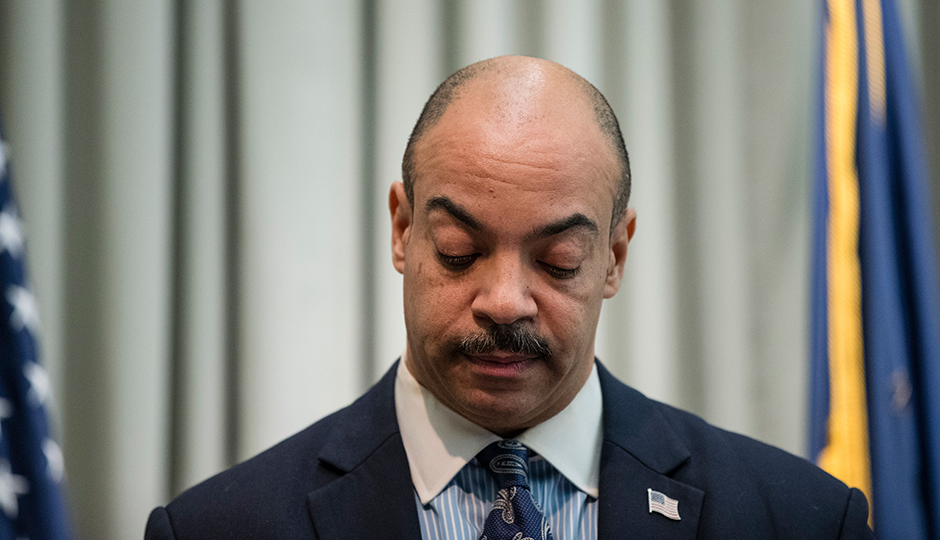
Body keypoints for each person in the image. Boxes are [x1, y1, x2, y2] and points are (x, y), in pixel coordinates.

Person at [145, 56, 873, 539]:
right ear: (402, 230)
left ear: (615, 256)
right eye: (459, 251)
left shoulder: (800, 519)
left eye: (558, 261)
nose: (503, 301)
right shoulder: (220, 527)